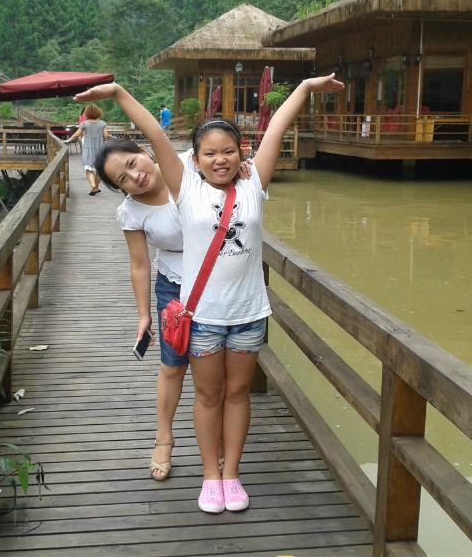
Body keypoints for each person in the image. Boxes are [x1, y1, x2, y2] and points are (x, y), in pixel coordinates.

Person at [76, 73, 343, 513]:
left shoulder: (255, 183)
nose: (220, 160)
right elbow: (155, 134)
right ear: (194, 159)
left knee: (237, 395)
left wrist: (304, 90)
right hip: (201, 317)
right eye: (210, 153)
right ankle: (209, 475)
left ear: (241, 153)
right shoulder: (186, 191)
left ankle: (232, 473)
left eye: (228, 151)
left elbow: (275, 127)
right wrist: (120, 94)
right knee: (208, 396)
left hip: (249, 314)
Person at [92, 140, 250, 481]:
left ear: (146, 152)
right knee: (172, 365)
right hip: (175, 289)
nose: (136, 176)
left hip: (217, 281)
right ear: (120, 189)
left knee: (219, 369)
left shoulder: (188, 166)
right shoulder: (131, 211)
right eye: (123, 179)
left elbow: (224, 160)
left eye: (134, 163)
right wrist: (143, 314)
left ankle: (220, 442)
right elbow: (139, 264)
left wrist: (243, 168)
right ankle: (164, 438)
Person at [66, 103, 108, 195]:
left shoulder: (84, 124)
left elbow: (77, 134)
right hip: (100, 149)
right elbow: (106, 136)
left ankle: (92, 185)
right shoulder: (102, 123)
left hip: (88, 149)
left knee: (89, 169)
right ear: (98, 112)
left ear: (87, 113)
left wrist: (68, 141)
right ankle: (96, 187)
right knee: (99, 170)